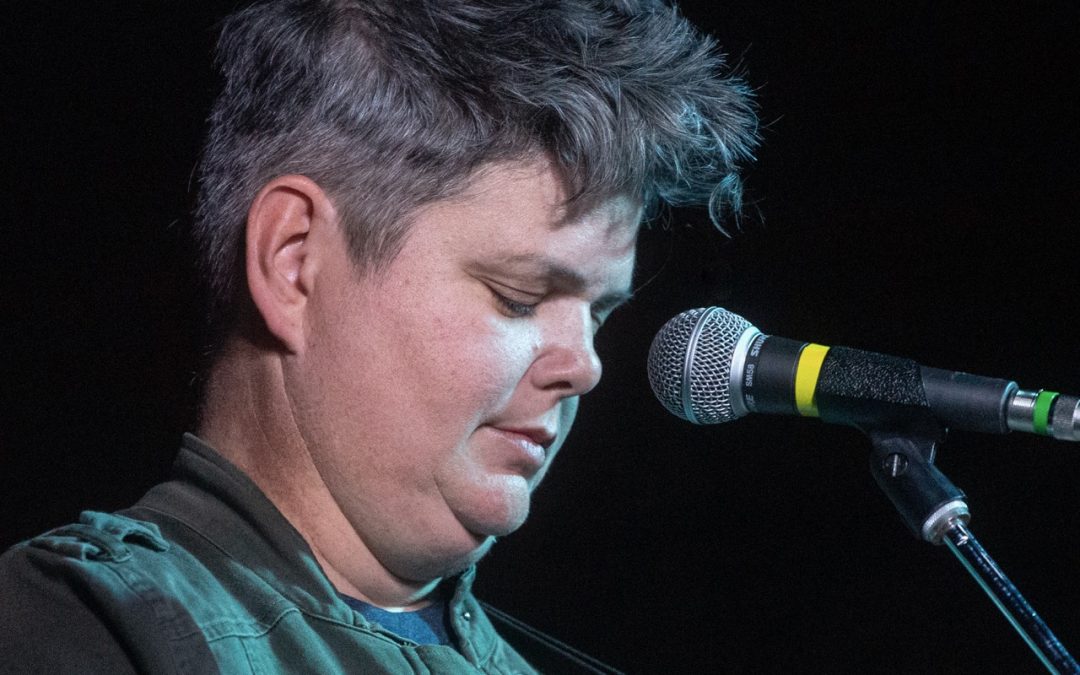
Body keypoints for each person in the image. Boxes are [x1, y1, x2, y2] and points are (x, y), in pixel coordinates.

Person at [0, 0, 757, 672]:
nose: (586, 366)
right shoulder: (85, 626)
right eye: (518, 297)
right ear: (294, 261)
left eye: (597, 315)